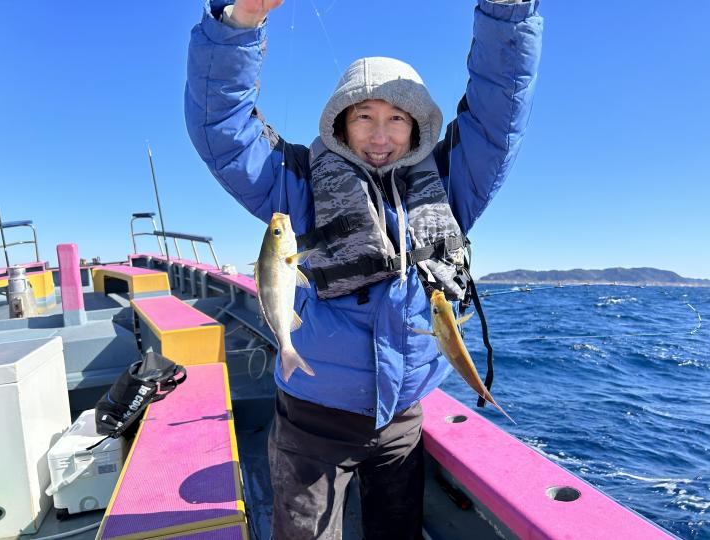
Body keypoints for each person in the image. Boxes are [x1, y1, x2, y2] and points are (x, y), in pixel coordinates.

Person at [185, 0, 543, 538]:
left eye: (396, 118)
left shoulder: (453, 180)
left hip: (403, 419)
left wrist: (507, 13)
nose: (380, 136)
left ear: (417, 125)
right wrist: (237, 24)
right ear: (340, 123)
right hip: (312, 417)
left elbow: (499, 115)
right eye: (364, 117)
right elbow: (222, 131)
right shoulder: (297, 183)